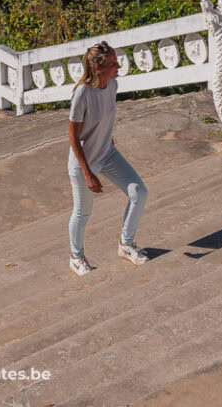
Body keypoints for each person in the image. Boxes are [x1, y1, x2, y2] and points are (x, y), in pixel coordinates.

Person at [68, 41, 148, 276]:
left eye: (116, 61)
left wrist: (107, 137)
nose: (118, 66)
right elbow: (73, 138)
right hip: (84, 162)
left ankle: (126, 244)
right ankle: (76, 257)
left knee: (139, 193)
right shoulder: (82, 93)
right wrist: (87, 173)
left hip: (107, 153)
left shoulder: (112, 84)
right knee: (82, 213)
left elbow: (105, 116)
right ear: (97, 68)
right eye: (113, 63)